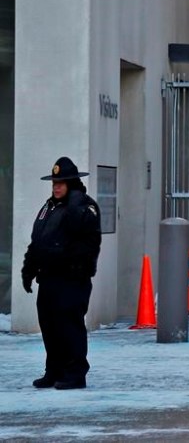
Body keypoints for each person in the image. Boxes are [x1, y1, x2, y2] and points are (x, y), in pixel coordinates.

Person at [21, 157, 102, 389]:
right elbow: (38, 241)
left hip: (72, 279)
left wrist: (63, 258)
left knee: (69, 326)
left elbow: (88, 243)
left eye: (61, 183)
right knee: (49, 326)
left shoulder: (84, 207)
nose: (56, 187)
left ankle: (75, 374)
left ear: (72, 183)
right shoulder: (49, 207)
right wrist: (29, 269)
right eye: (54, 183)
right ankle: (54, 371)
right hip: (49, 278)